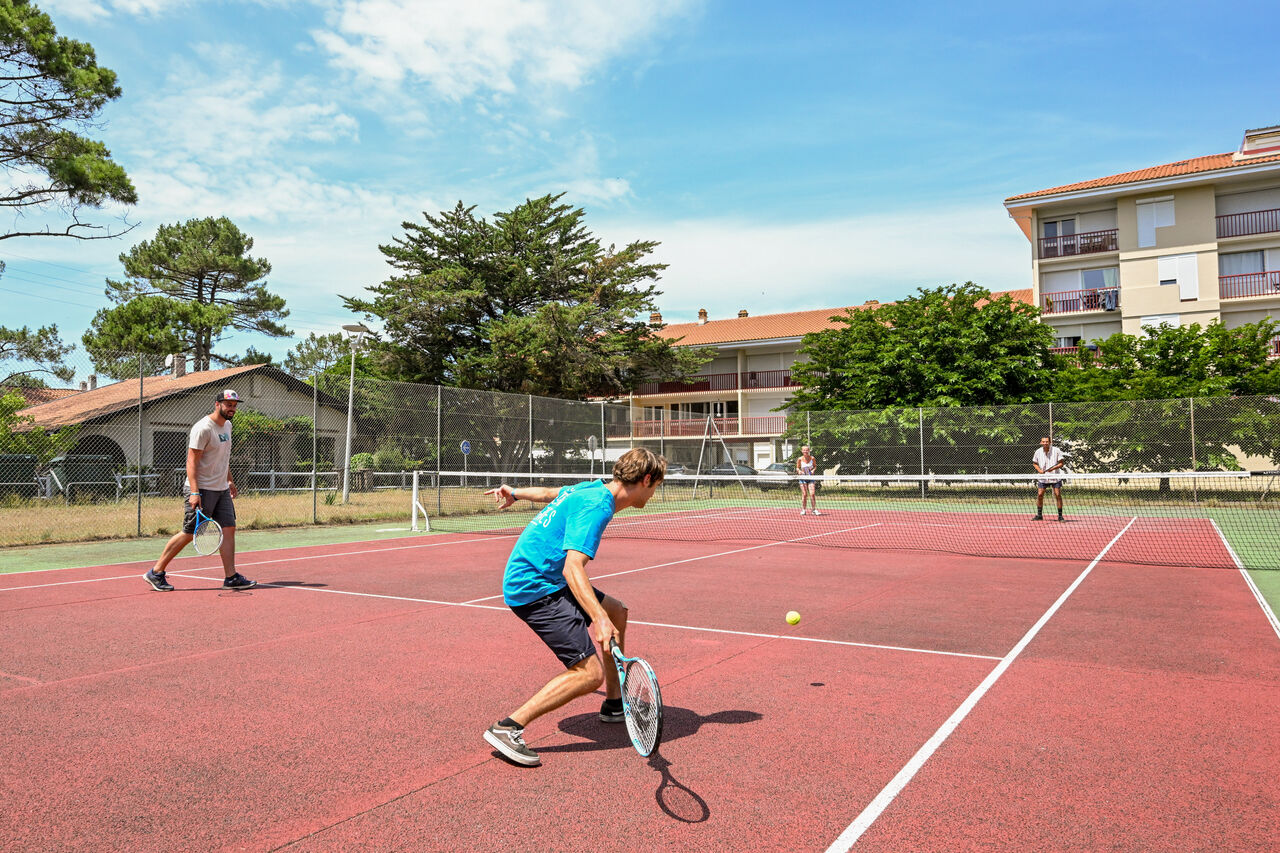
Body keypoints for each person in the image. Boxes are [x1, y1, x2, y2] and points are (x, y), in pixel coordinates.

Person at [481, 447, 666, 767]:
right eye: (656, 486)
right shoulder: (598, 506)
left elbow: (552, 493)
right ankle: (507, 727)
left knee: (617, 611)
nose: (654, 493)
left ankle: (614, 703)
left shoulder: (592, 487)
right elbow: (572, 568)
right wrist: (598, 619)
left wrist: (515, 492)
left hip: (546, 576)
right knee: (587, 673)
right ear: (646, 479)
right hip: (536, 588)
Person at [143, 390, 257, 591]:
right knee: (189, 533)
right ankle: (156, 572)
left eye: (234, 405)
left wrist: (229, 481)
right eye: (228, 404)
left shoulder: (228, 426)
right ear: (217, 404)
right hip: (201, 488)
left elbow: (223, 458)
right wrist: (195, 492)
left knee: (229, 529)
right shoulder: (203, 428)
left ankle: (231, 577)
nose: (232, 408)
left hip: (221, 489)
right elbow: (191, 461)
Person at [1032, 436, 1066, 522]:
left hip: (1055, 477)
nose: (1045, 443)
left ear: (1050, 442)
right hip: (1043, 478)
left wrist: (1053, 469)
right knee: (1040, 495)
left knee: (1057, 494)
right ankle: (1039, 515)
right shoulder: (1038, 452)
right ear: (1041, 442)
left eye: (1047, 441)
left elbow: (1061, 463)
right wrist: (1039, 470)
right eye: (1043, 441)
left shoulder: (1056, 450)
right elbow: (1035, 463)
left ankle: (1060, 516)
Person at [796, 445, 820, 516]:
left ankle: (813, 509)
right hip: (802, 478)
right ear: (802, 451)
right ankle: (803, 510)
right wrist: (799, 471)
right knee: (805, 494)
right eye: (804, 450)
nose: (805, 451)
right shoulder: (800, 459)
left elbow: (815, 466)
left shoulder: (812, 458)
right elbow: (797, 468)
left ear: (809, 451)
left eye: (807, 450)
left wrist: (813, 470)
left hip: (811, 478)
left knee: (812, 494)